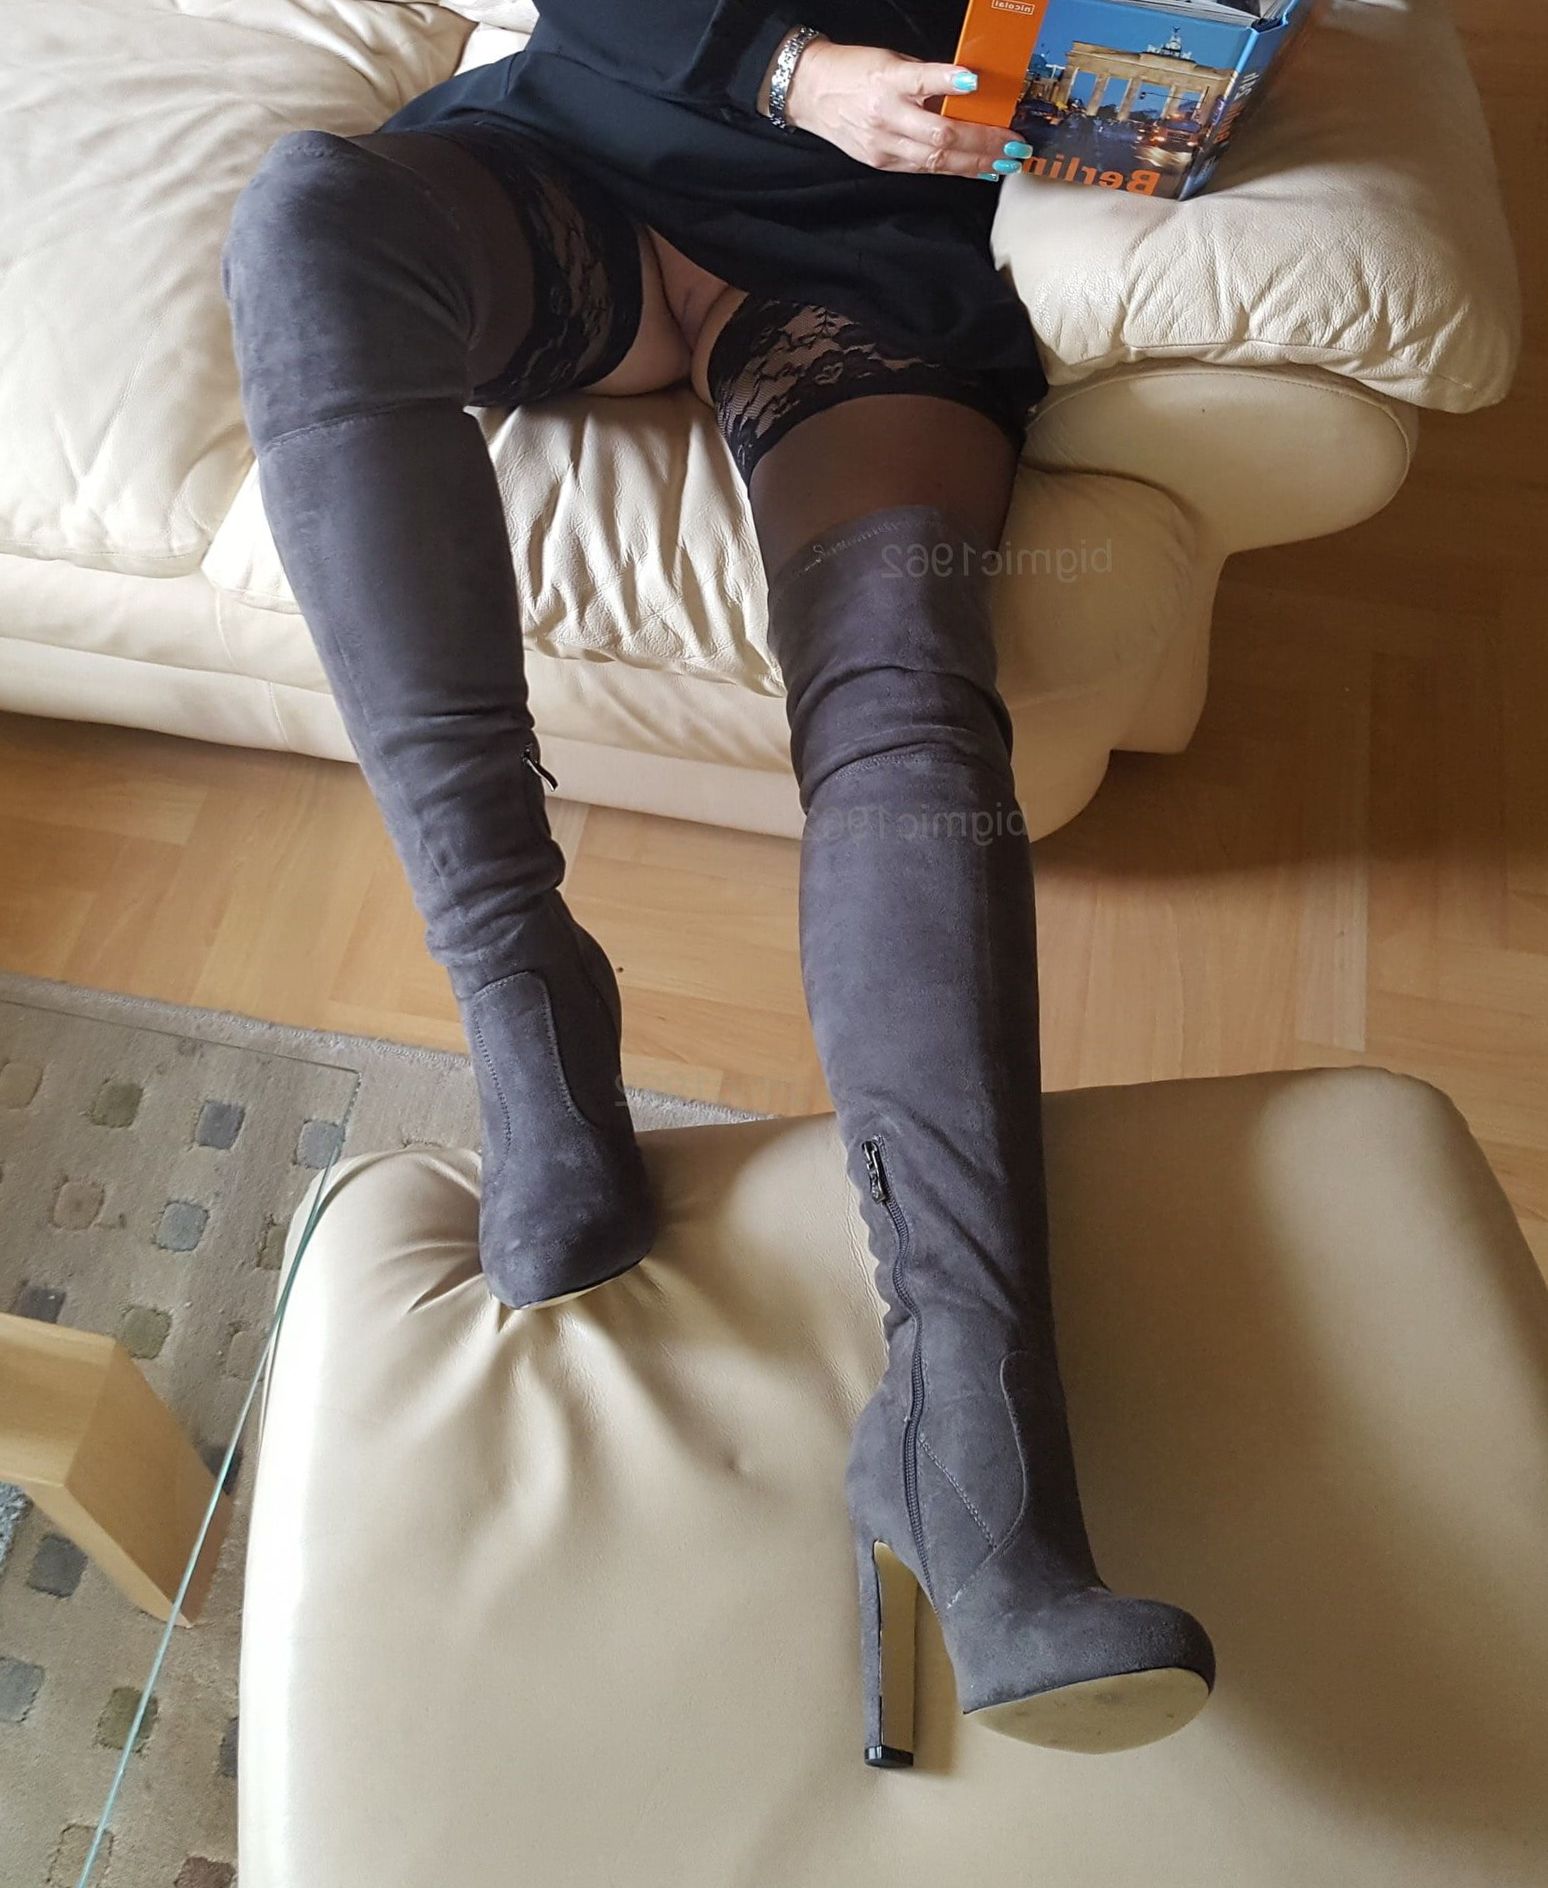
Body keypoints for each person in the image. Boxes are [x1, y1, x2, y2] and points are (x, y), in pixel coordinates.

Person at [219, 1, 1214, 1769]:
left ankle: (975, 1432)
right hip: (586, 154)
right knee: (311, 218)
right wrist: (789, 73)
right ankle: (530, 1007)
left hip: (879, 246)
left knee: (906, 683)